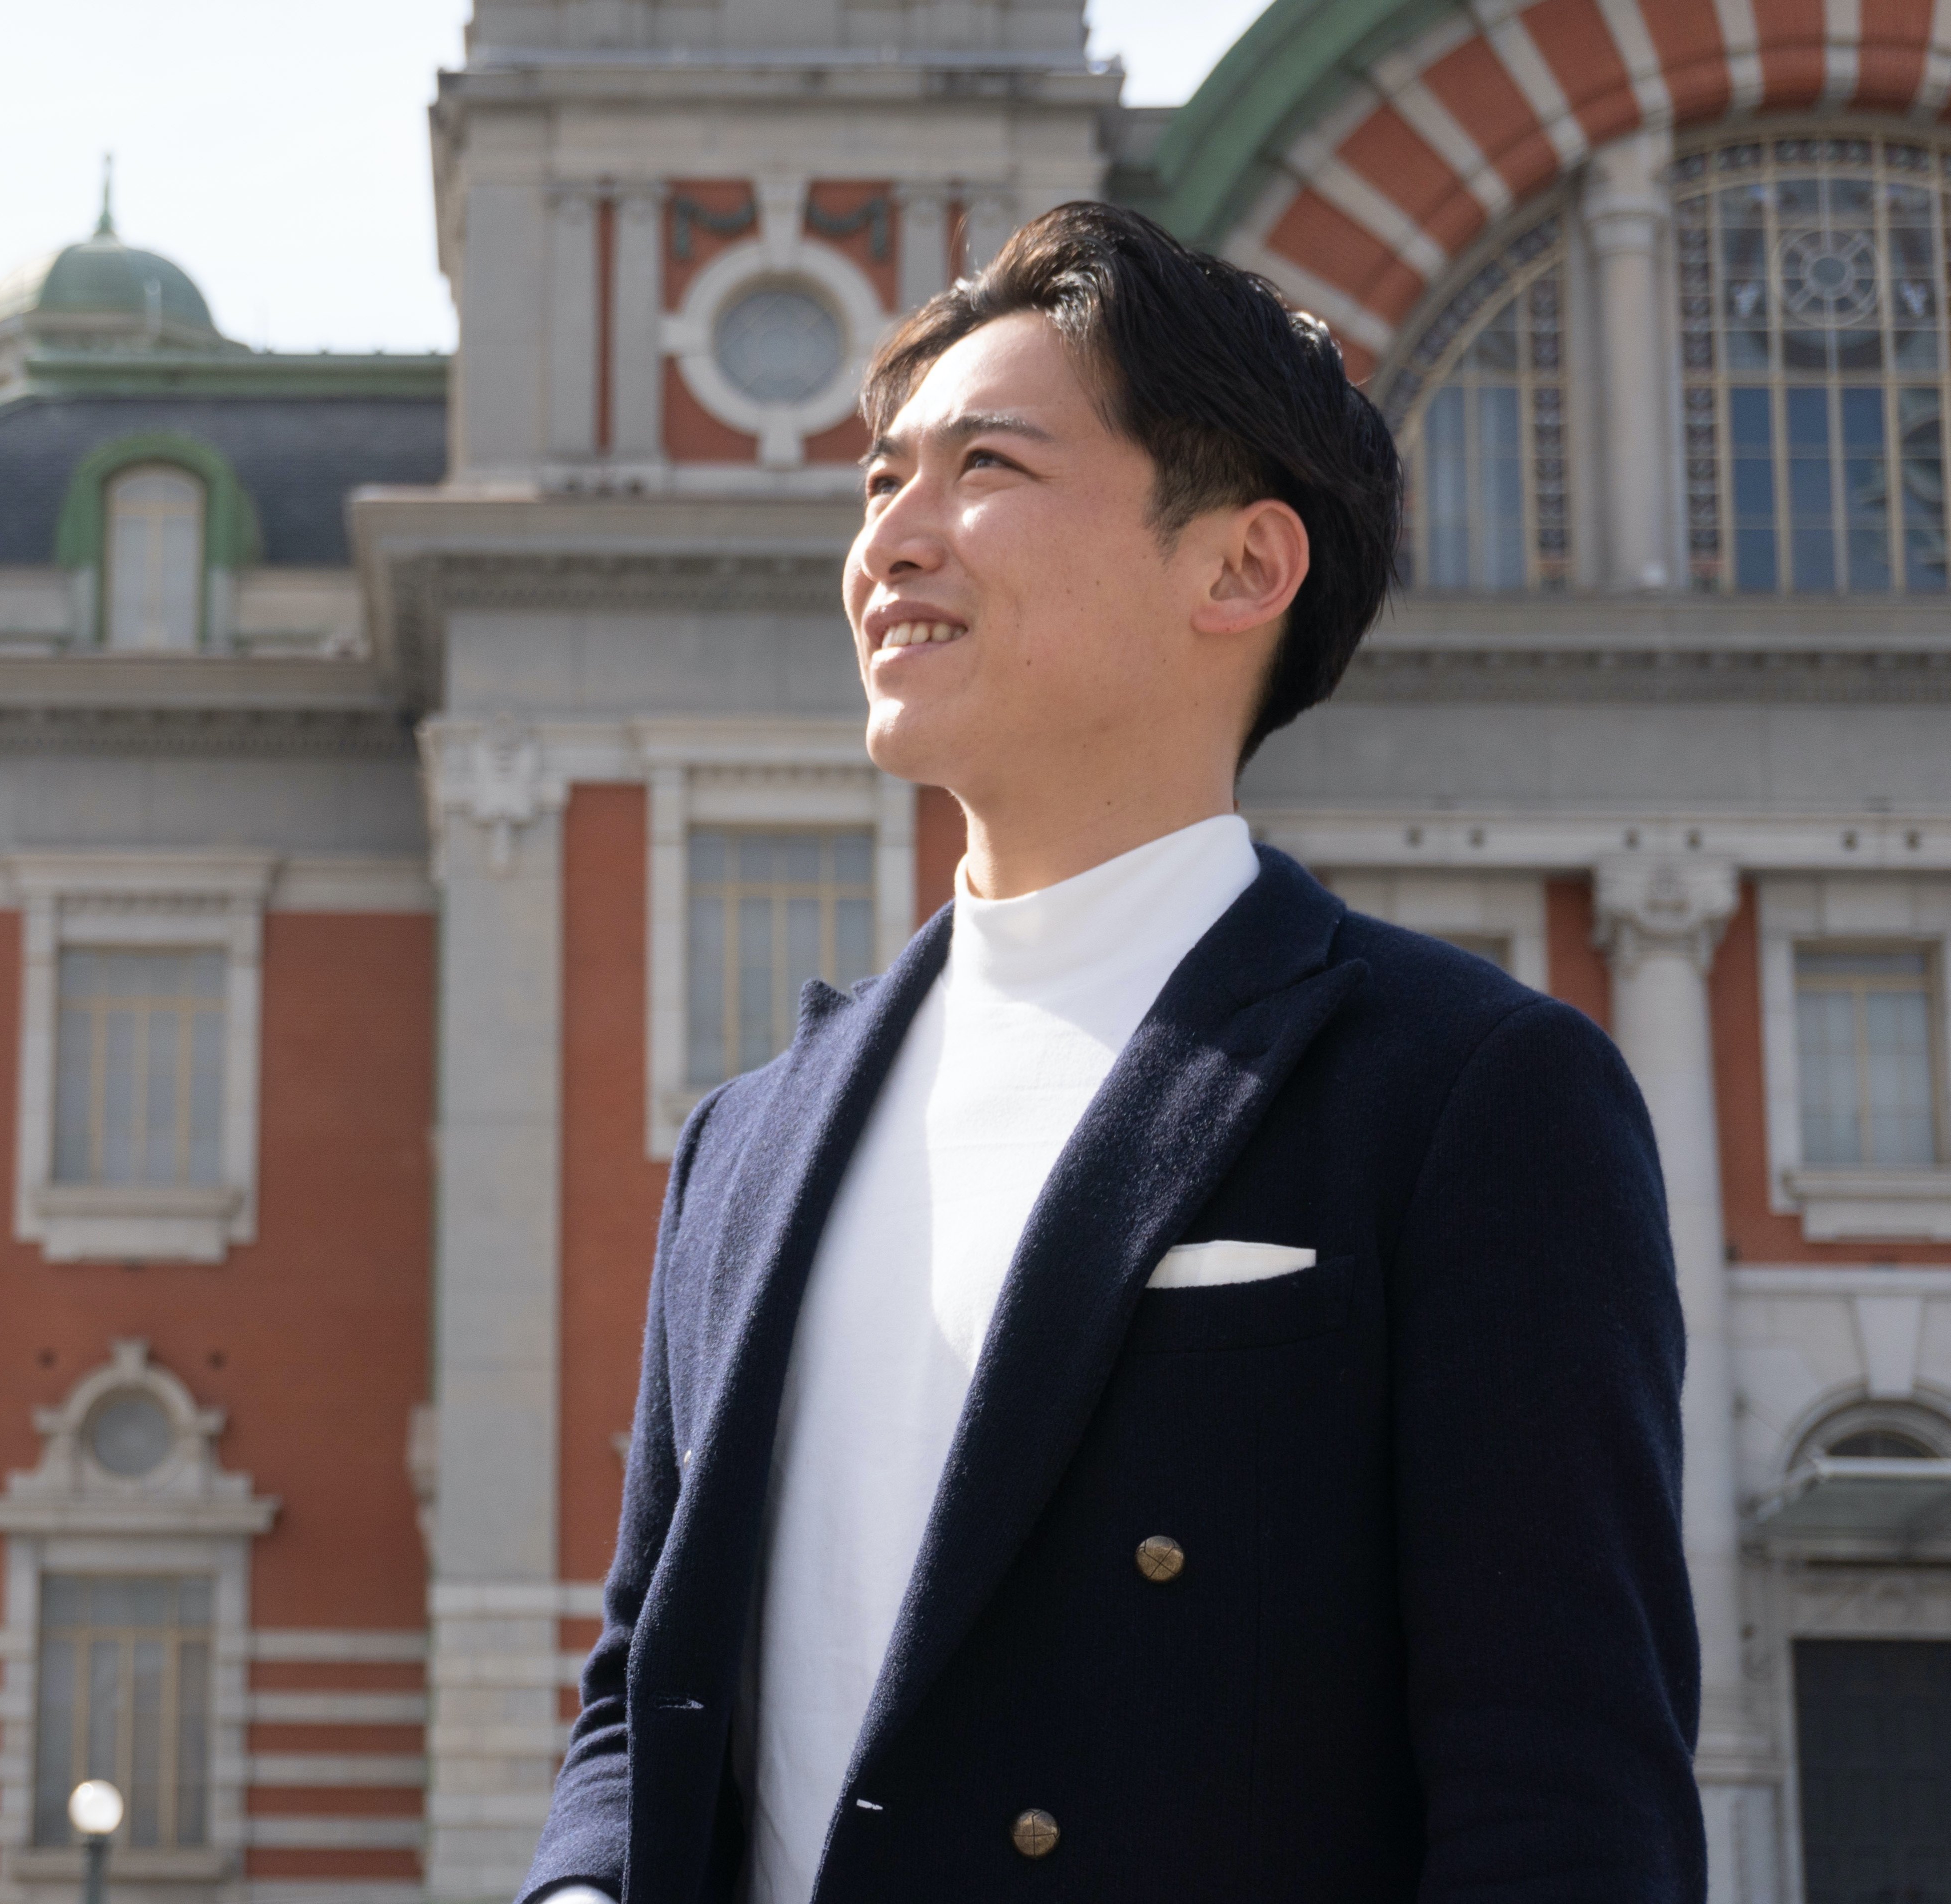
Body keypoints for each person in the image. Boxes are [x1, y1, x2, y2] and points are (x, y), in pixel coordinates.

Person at [519, 203, 1703, 1904]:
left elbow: (1564, 1802)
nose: (890, 540)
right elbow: (646, 1690)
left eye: (985, 468)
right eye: (880, 484)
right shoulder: (745, 1143)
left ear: (1241, 568)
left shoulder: (1467, 1095)